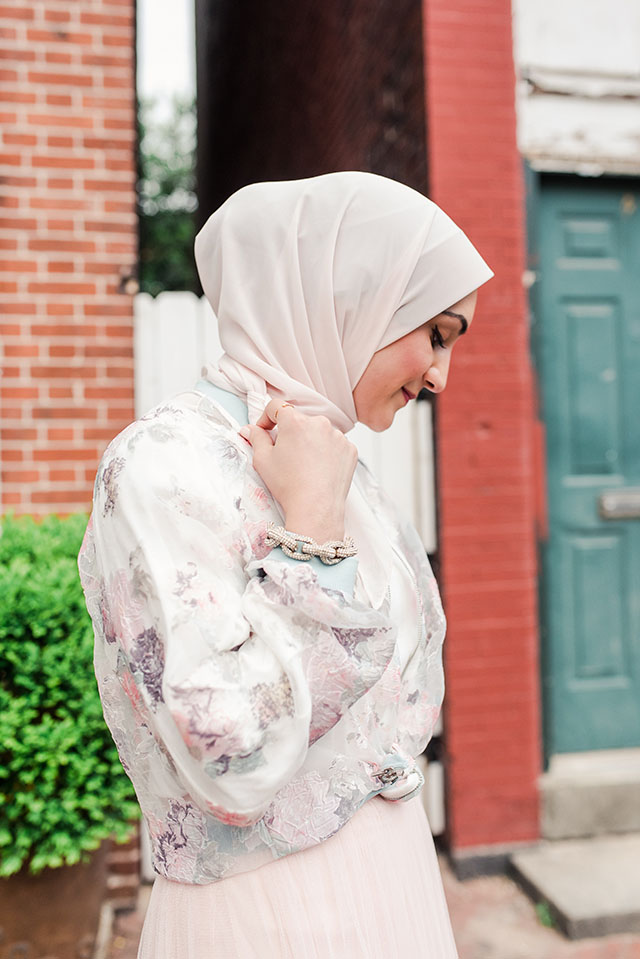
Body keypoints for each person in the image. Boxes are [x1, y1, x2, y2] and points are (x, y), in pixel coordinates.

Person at [79, 171, 492, 958]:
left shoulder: (338, 470)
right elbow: (230, 754)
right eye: (437, 333)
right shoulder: (162, 466)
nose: (442, 375)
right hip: (268, 917)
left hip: (398, 893)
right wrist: (311, 539)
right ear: (351, 295)